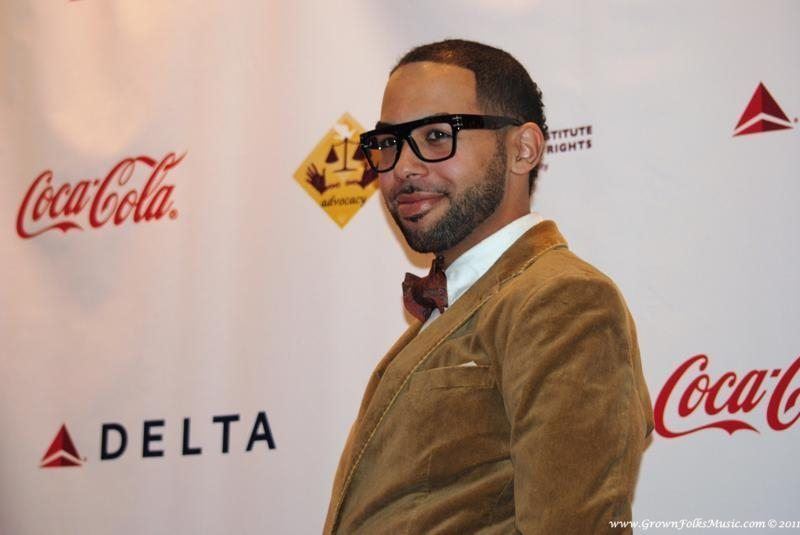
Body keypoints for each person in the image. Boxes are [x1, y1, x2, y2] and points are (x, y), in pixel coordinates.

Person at [324, 39, 654, 534]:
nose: (403, 167)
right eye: (389, 143)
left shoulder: (562, 299)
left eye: (438, 135)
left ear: (523, 149)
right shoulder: (456, 304)